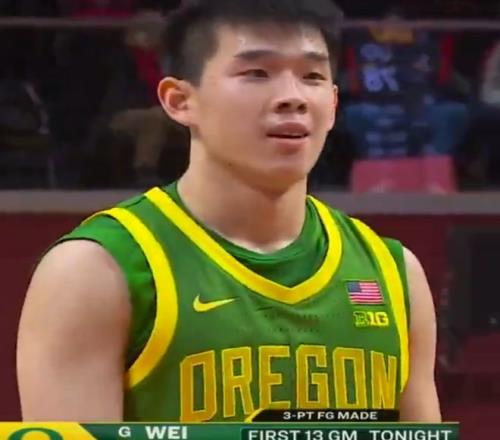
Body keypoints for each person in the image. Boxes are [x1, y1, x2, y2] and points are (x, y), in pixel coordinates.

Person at [16, 0, 441, 422]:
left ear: (332, 105)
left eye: (311, 76)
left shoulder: (395, 273)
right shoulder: (94, 271)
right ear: (180, 100)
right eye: (257, 73)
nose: (292, 98)